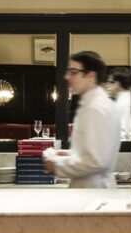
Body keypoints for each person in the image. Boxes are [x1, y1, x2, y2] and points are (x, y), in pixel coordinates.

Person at [43, 51, 120, 188]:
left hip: (91, 191)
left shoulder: (95, 108)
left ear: (90, 76)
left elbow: (95, 162)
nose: (67, 77)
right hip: (92, 189)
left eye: (73, 72)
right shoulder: (96, 103)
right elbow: (96, 151)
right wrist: (69, 154)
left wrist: (56, 165)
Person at [106, 68, 131, 141]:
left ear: (117, 84)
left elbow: (124, 134)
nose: (107, 86)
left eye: (109, 82)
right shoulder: (127, 99)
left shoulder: (124, 103)